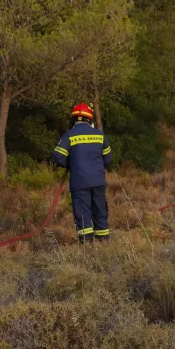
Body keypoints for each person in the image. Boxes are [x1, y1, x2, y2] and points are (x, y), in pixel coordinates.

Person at [52, 103, 112, 244]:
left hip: (79, 182)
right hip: (98, 181)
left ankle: (87, 247)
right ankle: (105, 244)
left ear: (74, 119)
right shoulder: (99, 135)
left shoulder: (70, 135)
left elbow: (58, 156)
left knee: (83, 213)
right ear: (89, 119)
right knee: (100, 211)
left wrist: (69, 164)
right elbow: (108, 159)